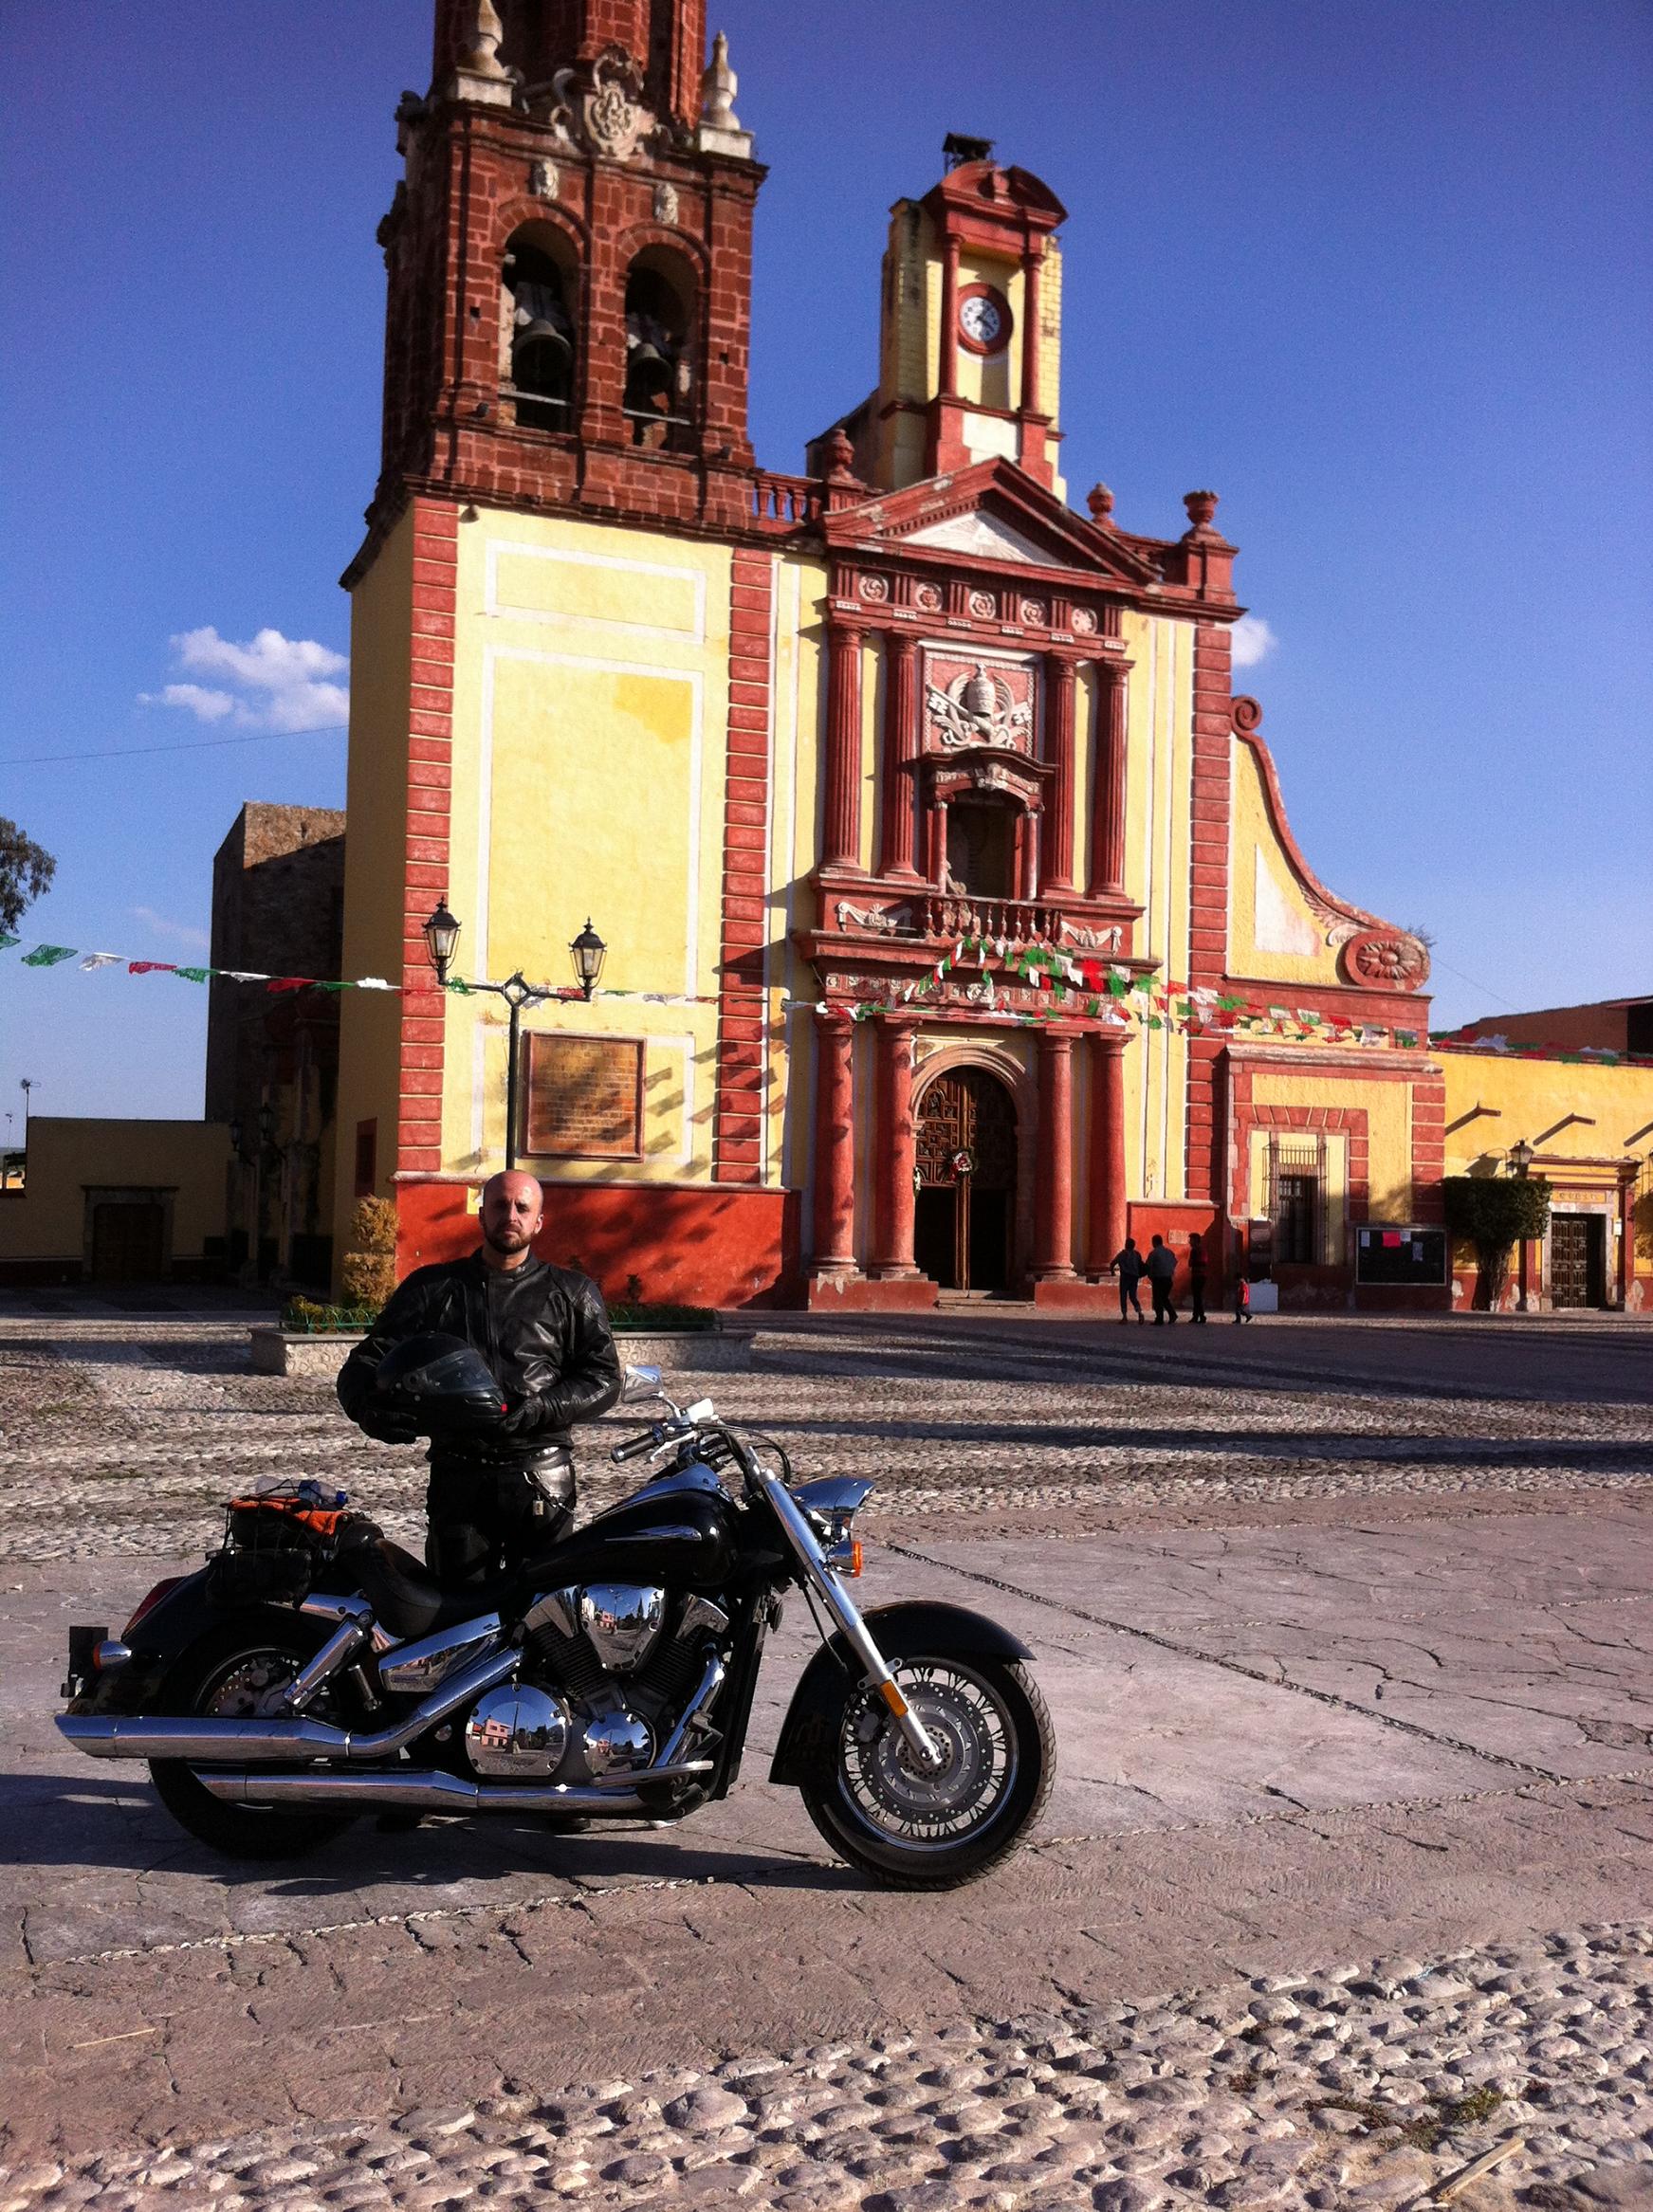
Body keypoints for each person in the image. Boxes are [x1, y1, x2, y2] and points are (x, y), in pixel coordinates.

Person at [338, 1170, 622, 1584]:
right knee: (456, 1612)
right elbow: (366, 1360)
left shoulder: (572, 1293)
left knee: (545, 1610)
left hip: (541, 1478)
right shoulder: (433, 1289)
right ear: (482, 1215)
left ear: (539, 1221)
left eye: (522, 1207)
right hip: (459, 1479)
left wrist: (541, 1407)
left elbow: (604, 1376)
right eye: (500, 1205)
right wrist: (368, 1410)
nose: (511, 1215)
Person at [1110, 1235, 1147, 1324]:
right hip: (1134, 1277)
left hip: (1125, 1277)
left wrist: (1112, 1272)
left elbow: (1113, 1263)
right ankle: (1140, 1312)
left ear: (1126, 1245)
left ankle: (1124, 1317)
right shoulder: (1137, 1254)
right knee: (1133, 1296)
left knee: (1123, 1296)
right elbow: (1141, 1264)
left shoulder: (1122, 1254)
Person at [1144, 1234, 1179, 1325]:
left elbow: (1148, 1265)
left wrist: (1148, 1273)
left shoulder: (1154, 1253)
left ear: (1154, 1242)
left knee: (1158, 1299)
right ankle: (1172, 1314)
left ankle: (1160, 1319)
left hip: (1158, 1278)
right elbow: (1175, 1262)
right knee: (1164, 1298)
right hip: (1168, 1278)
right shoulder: (1169, 1252)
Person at [1187, 1232, 1208, 1324]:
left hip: (1198, 1275)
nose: (1190, 1242)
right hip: (1200, 1275)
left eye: (1191, 1240)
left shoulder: (1196, 1250)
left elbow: (1194, 1263)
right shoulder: (1200, 1250)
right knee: (1197, 1297)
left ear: (1195, 1240)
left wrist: (1193, 1262)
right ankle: (1197, 1316)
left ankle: (1200, 1316)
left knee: (1197, 1297)